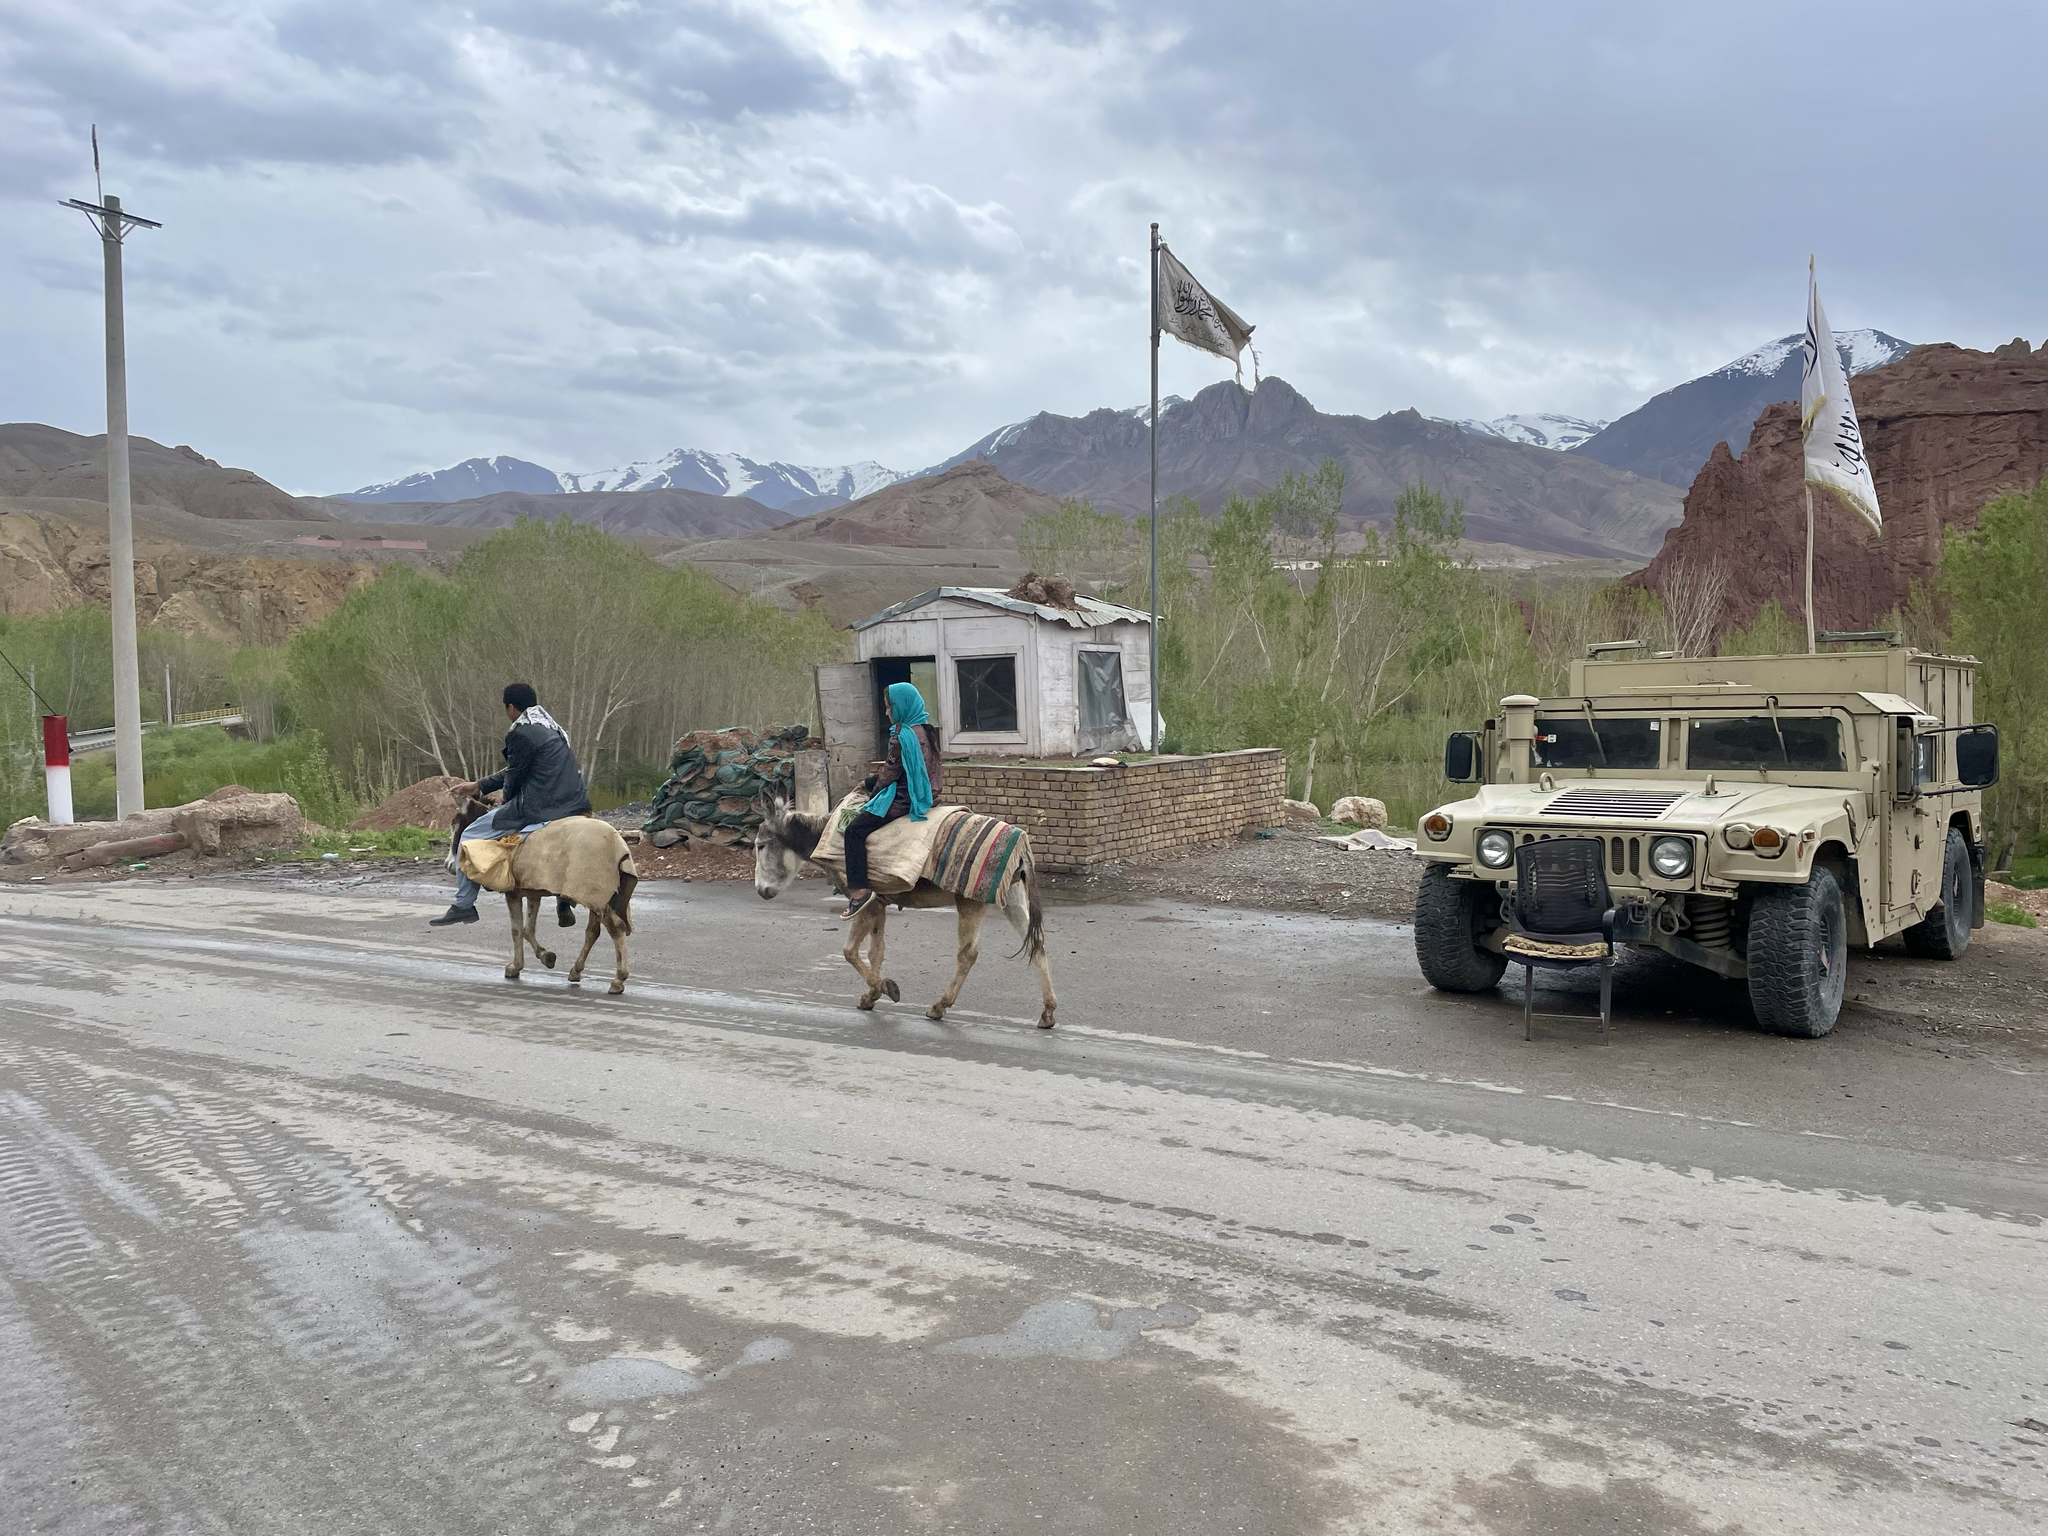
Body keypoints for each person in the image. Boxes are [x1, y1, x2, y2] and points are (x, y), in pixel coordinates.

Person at [430, 683, 593, 927]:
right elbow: (517, 769)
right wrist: (479, 786)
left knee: (468, 835)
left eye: (506, 709)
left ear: (511, 707)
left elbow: (514, 779)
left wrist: (504, 809)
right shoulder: (553, 730)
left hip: (541, 807)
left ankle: (464, 904)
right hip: (576, 804)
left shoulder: (520, 733)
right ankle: (564, 898)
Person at [841, 681, 943, 919]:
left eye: (889, 707)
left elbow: (889, 774)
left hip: (902, 799)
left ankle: (859, 892)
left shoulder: (902, 735)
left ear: (901, 706)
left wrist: (871, 788)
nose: (887, 712)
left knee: (854, 831)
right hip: (924, 793)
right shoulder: (924, 730)